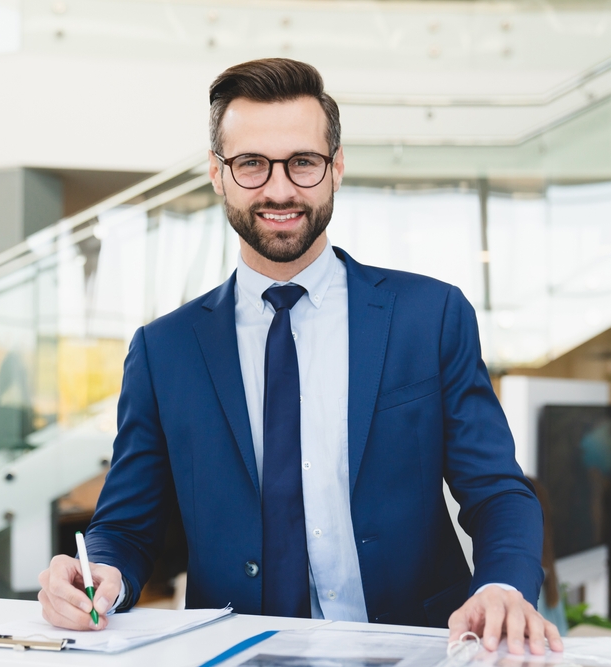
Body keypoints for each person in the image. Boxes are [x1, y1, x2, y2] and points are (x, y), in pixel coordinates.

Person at [38, 58, 563, 656]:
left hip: (412, 648)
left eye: (303, 163)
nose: (280, 190)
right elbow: (127, 528)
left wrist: (503, 584)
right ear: (217, 173)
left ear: (336, 167)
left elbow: (497, 490)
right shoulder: (165, 352)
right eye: (252, 165)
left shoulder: (430, 316)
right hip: (238, 651)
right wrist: (102, 572)